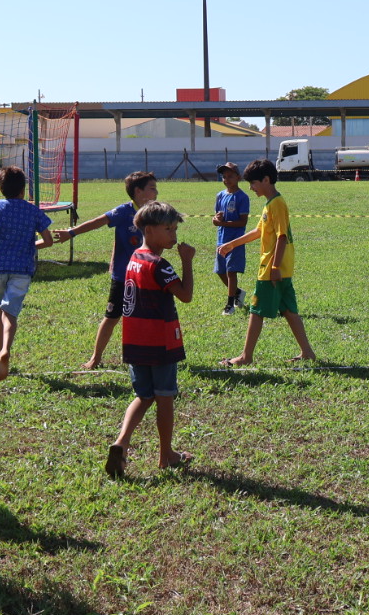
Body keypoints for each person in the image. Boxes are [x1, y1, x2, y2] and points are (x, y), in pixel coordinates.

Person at [105, 201, 196, 477]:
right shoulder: (159, 265)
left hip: (135, 342)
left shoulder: (135, 257)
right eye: (168, 229)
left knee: (143, 395)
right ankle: (166, 455)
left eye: (175, 228)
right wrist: (187, 262)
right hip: (160, 342)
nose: (173, 235)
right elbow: (185, 295)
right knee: (165, 396)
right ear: (149, 229)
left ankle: (121, 443)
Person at [216, 159, 316, 367]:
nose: (251, 187)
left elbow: (281, 237)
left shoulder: (277, 204)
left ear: (266, 180)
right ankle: (307, 352)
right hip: (280, 267)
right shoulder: (270, 203)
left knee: (255, 311)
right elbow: (258, 231)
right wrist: (231, 245)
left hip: (271, 268)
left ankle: (246, 356)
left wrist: (275, 267)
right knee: (289, 310)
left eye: (253, 183)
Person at [59, 171, 158, 370]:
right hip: (123, 277)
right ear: (138, 192)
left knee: (148, 317)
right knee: (112, 317)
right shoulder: (123, 212)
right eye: (152, 188)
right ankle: (96, 358)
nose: (157, 192)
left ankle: (149, 356)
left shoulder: (155, 213)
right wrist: (71, 232)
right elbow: (97, 221)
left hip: (147, 275)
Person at [0, 166, 56, 383]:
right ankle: (6, 350)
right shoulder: (33, 210)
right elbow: (48, 240)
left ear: (0, 188)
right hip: (22, 269)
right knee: (11, 313)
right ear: (23, 189)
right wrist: (30, 244)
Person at [212, 162, 250, 314]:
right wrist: (216, 220)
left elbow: (243, 221)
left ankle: (230, 305)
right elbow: (217, 216)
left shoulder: (242, 197)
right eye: (224, 176)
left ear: (238, 177)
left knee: (231, 271)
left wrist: (223, 223)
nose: (227, 179)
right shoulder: (220, 195)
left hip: (235, 240)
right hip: (221, 239)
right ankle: (237, 293)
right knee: (220, 271)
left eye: (230, 176)